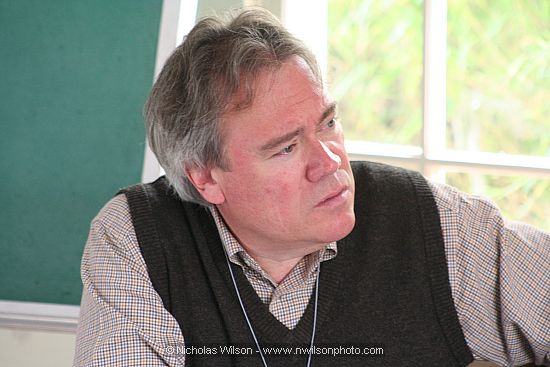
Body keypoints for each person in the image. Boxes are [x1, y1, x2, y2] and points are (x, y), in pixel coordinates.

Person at [73, 8, 549, 367]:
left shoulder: (431, 224)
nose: (329, 161)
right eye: (285, 148)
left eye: (328, 123)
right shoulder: (138, 238)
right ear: (205, 176)